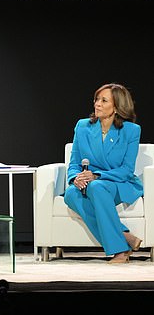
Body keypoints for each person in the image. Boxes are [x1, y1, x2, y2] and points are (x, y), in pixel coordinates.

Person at [63, 83, 143, 264]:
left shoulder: (131, 131)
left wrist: (96, 175)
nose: (97, 104)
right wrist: (76, 178)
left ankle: (120, 250)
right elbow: (74, 162)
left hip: (118, 183)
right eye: (96, 99)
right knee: (70, 194)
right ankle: (125, 237)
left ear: (116, 107)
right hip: (90, 183)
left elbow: (126, 170)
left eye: (103, 100)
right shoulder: (82, 126)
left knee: (97, 187)